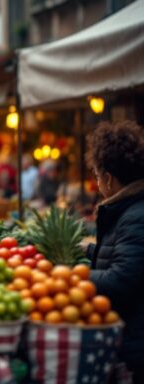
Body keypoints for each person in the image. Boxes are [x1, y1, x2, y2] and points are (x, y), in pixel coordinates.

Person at [85, 121, 144, 381]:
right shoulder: (131, 207)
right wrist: (89, 250)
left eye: (97, 176)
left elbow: (121, 278)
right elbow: (127, 253)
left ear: (108, 177)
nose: (97, 183)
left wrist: (69, 275)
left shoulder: (135, 215)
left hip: (136, 340)